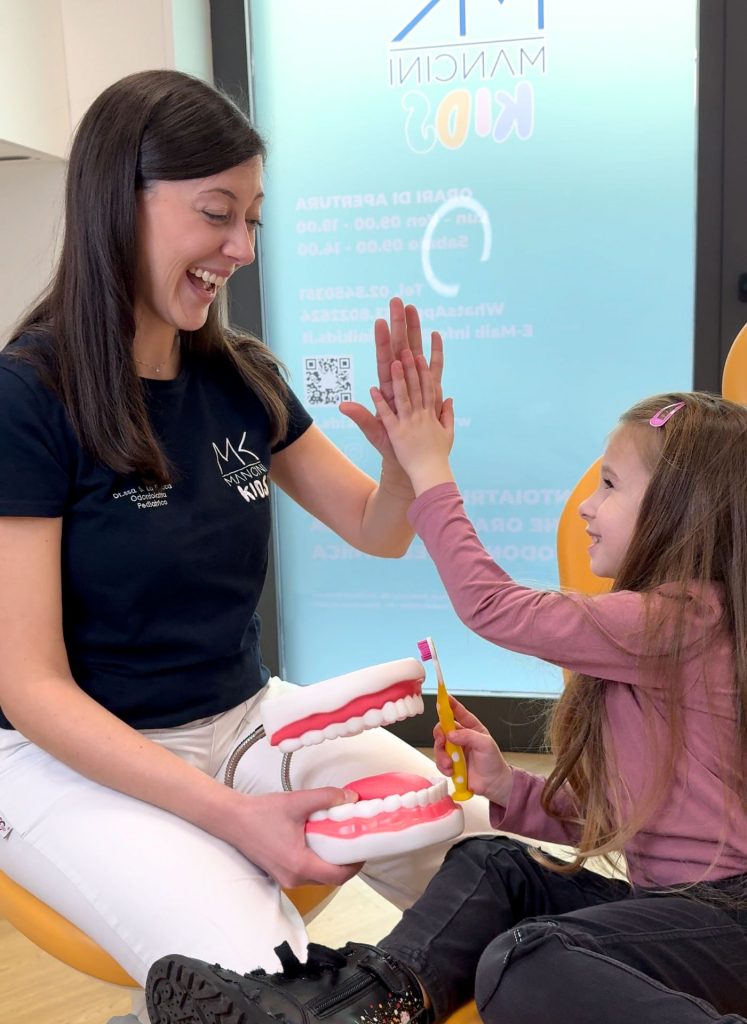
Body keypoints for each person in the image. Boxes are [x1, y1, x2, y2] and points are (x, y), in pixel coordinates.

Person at [0, 71, 492, 1024]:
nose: (241, 248)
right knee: (267, 988)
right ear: (117, 202)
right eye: (217, 214)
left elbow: (377, 530)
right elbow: (29, 686)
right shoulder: (29, 396)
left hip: (247, 720)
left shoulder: (241, 378)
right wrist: (229, 819)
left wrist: (406, 462)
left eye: (254, 219)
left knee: (478, 864)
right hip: (77, 758)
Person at [146, 355, 747, 1024]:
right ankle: (354, 1011)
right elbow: (639, 812)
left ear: (678, 512)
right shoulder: (669, 625)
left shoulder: (682, 619)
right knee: (490, 865)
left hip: (727, 919)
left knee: (528, 960)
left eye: (607, 485)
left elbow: (492, 606)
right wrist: (505, 786)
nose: (586, 504)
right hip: (672, 912)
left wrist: (429, 469)